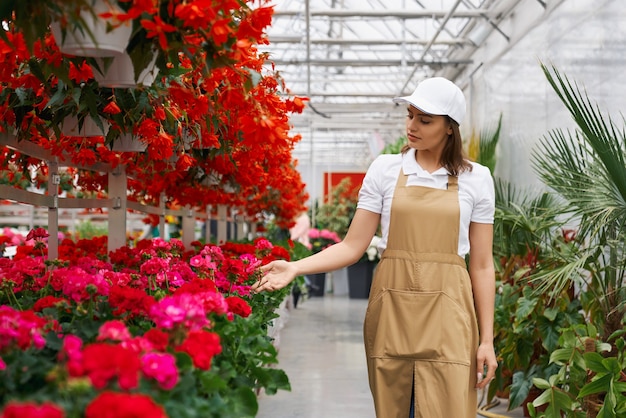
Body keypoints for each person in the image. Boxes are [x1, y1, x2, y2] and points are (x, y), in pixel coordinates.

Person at [253, 76, 498, 418]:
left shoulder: (477, 178)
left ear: (449, 129)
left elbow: (482, 265)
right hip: (392, 309)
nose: (412, 126)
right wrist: (295, 267)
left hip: (450, 313)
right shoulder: (386, 169)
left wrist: (486, 340)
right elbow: (353, 246)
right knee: (394, 406)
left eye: (424, 120)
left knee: (450, 408)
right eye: (410, 115)